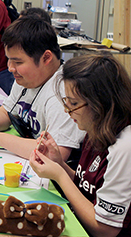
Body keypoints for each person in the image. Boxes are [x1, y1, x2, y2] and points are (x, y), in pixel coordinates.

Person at [29, 54, 131, 237]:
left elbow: (104, 229)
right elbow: (90, 189)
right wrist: (59, 164)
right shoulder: (97, 128)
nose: (68, 111)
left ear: (100, 103)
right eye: (66, 102)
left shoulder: (125, 147)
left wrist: (60, 176)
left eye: (74, 103)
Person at [0, 16, 85, 161]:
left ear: (46, 58)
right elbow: (7, 111)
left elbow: (56, 154)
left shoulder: (64, 93)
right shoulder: (27, 77)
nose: (10, 68)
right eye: (9, 59)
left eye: (17, 61)